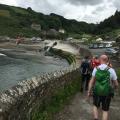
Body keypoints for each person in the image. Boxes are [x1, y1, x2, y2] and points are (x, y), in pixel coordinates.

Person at [87, 55, 119, 120]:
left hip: (97, 91)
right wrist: (114, 88)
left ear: (100, 60)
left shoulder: (96, 69)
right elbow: (116, 84)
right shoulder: (111, 70)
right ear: (107, 60)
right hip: (107, 93)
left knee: (95, 106)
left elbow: (91, 82)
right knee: (105, 110)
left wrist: (89, 91)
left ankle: (96, 118)